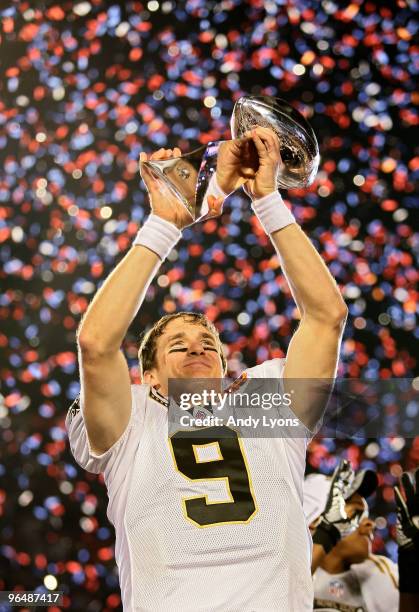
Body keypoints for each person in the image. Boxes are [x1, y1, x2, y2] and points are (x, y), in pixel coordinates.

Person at [66, 126, 348, 611]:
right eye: (177, 345)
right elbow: (95, 344)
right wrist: (163, 224)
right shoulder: (133, 422)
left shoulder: (266, 404)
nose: (197, 349)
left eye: (208, 344)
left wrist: (268, 200)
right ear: (148, 377)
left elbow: (327, 317)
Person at [305, 468, 399, 611]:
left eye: (366, 515)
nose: (370, 523)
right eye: (356, 513)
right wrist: (326, 536)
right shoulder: (281, 567)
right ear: (315, 519)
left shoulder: (379, 572)